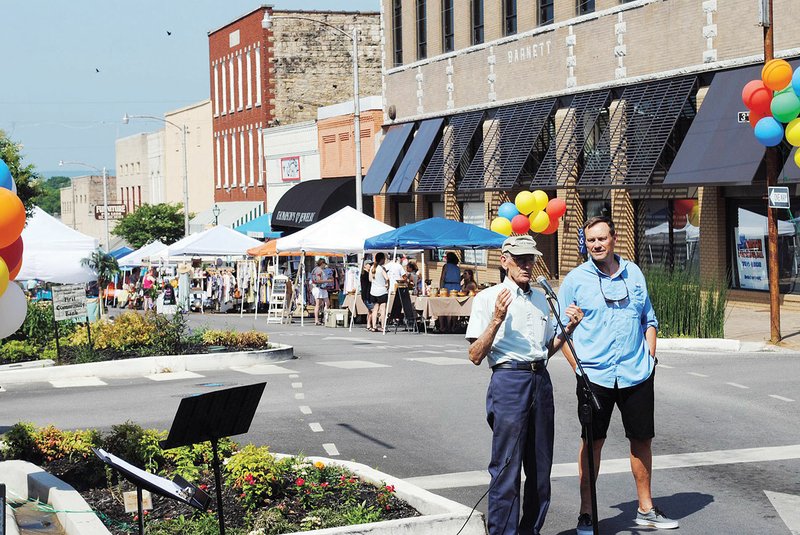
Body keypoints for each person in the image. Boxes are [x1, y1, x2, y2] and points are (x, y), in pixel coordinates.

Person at [556, 216, 678, 534]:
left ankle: (646, 508)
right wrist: (576, 368)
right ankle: (586, 513)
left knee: (641, 440)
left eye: (602, 238)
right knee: (592, 443)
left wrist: (649, 357)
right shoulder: (575, 280)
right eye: (591, 240)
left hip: (636, 374)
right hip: (594, 376)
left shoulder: (633, 273)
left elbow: (648, 318)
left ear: (614, 238)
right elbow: (560, 331)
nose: (596, 245)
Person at [466, 235, 583, 535]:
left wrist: (568, 329)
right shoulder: (488, 298)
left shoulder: (542, 298)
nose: (526, 265)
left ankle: (530, 530)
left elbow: (546, 348)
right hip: (509, 380)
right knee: (507, 466)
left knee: (540, 468)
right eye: (519, 259)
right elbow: (475, 355)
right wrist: (496, 320)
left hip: (539, 379)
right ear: (504, 260)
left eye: (530, 258)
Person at [439, 252, 462, 332]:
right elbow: (459, 279)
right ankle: (453, 325)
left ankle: (445, 326)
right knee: (454, 307)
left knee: (446, 306)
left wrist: (441, 288)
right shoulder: (457, 268)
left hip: (447, 287)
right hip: (456, 287)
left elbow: (442, 278)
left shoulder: (446, 266)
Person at [368, 252, 388, 332]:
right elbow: (387, 278)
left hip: (373, 291)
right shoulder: (381, 268)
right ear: (382, 259)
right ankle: (383, 326)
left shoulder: (372, 267)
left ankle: (374, 326)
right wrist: (386, 285)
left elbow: (370, 279)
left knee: (375, 309)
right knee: (383, 309)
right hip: (382, 291)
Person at [311, 258, 332, 326]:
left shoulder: (317, 269)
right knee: (318, 303)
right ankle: (316, 320)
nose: (325, 266)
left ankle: (324, 318)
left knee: (327, 303)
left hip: (322, 288)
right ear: (322, 264)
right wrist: (328, 281)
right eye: (324, 264)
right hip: (318, 288)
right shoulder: (318, 270)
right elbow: (318, 280)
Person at [361, 259, 375, 329]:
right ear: (365, 265)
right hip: (366, 295)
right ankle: (370, 324)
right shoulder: (364, 274)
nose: (371, 266)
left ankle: (369, 324)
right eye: (369, 264)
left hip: (369, 295)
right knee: (373, 309)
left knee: (370, 310)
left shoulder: (367, 273)